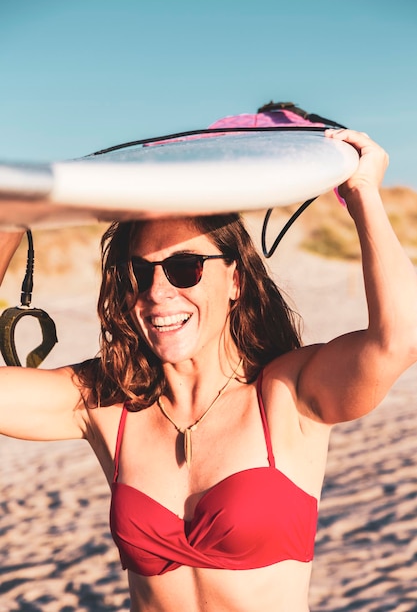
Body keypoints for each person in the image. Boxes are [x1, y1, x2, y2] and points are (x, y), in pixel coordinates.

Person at [0, 129, 416, 612]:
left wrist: (363, 192)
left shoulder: (287, 392)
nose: (157, 292)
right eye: (140, 271)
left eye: (185, 268)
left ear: (235, 280)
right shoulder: (109, 402)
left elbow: (400, 338)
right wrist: (10, 217)